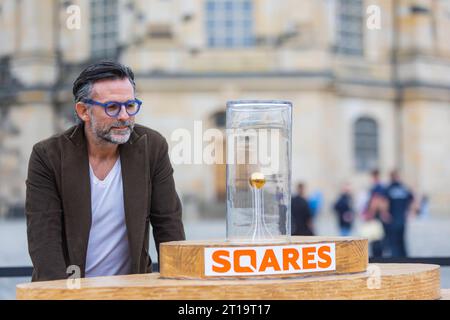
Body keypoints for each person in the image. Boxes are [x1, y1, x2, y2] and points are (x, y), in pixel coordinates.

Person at [25, 61, 185, 282]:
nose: (123, 116)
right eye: (112, 107)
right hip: (69, 291)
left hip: (133, 291)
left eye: (130, 105)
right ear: (83, 111)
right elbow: (44, 242)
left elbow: (168, 226)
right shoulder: (48, 155)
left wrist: (180, 290)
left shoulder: (152, 147)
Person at [385, 170, 414, 257]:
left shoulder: (389, 188)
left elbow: (383, 202)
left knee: (394, 241)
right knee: (401, 240)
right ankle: (404, 258)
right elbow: (413, 199)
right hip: (401, 219)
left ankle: (396, 259)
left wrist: (385, 213)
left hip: (393, 219)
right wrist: (410, 212)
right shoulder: (404, 188)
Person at [363, 169, 391, 257]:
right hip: (377, 216)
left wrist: (370, 213)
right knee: (378, 239)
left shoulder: (377, 187)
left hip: (376, 217)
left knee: (376, 240)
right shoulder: (380, 187)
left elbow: (376, 201)